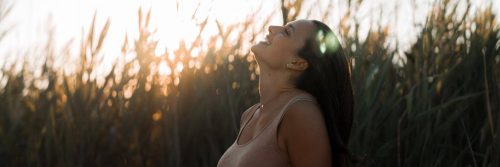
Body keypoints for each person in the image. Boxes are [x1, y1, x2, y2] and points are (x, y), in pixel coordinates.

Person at [217, 19, 354, 167]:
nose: (271, 28)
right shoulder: (249, 115)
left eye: (287, 32)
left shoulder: (301, 112)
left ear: (297, 63)